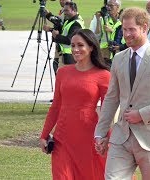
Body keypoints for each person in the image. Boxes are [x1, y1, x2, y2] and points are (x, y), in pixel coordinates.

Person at [94, 7, 150, 180]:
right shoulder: (119, 59)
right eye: (124, 29)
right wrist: (100, 132)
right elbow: (112, 98)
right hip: (121, 136)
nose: (126, 34)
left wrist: (142, 114)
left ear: (144, 28)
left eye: (131, 29)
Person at [39, 29, 111, 179]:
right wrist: (44, 135)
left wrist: (105, 137)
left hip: (88, 136)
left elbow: (107, 111)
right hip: (62, 138)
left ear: (91, 47)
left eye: (80, 45)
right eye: (72, 45)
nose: (75, 49)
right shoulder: (63, 72)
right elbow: (56, 107)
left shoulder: (103, 75)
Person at [44, 0, 72, 74]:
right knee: (56, 64)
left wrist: (50, 29)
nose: (62, 1)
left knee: (58, 67)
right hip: (60, 43)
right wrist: (48, 14)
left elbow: (61, 24)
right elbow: (58, 22)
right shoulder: (62, 10)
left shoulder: (69, 12)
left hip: (65, 45)